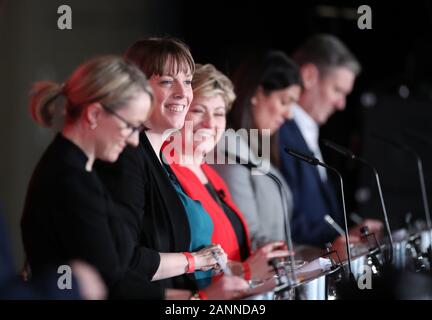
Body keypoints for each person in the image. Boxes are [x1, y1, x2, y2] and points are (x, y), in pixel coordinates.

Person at [96, 38, 248, 299]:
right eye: (167, 81)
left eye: (187, 81)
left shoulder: (157, 160)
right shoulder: (127, 157)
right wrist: (195, 261)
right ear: (137, 89)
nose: (182, 93)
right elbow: (126, 262)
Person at [20, 55, 169, 299]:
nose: (134, 140)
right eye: (130, 126)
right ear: (94, 114)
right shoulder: (68, 179)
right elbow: (111, 282)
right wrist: (197, 300)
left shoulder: (81, 169)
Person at [163, 64, 290, 284]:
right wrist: (245, 270)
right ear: (179, 110)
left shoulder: (211, 175)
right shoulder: (166, 172)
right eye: (199, 110)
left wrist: (266, 257)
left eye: (219, 113)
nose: (210, 123)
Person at [278, 34, 382, 249]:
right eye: (337, 90)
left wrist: (348, 234)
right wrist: (337, 239)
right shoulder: (277, 132)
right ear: (308, 76)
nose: (341, 104)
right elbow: (284, 220)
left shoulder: (308, 131)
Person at [211, 51, 302, 253]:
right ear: (257, 94)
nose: (289, 114)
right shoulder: (230, 153)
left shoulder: (253, 149)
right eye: (284, 101)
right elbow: (249, 239)